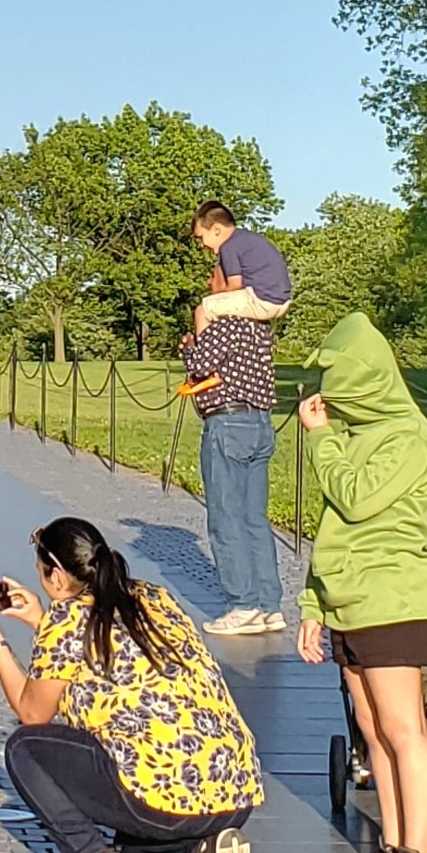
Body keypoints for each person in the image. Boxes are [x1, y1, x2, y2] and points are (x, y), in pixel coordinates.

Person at [0, 517, 262, 853]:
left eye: (41, 572)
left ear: (56, 576)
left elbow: (32, 712)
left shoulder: (68, 619)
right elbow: (103, 659)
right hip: (232, 793)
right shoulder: (153, 598)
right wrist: (42, 621)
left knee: (25, 748)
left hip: (161, 795)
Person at [293, 313, 427, 853]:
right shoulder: (353, 431)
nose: (328, 400)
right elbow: (333, 526)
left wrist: (322, 439)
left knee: (404, 728)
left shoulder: (408, 436)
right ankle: (391, 848)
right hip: (349, 597)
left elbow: (356, 500)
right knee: (371, 730)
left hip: (392, 597)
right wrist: (314, 603)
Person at [182, 250, 286, 638]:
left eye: (213, 278)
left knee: (226, 518)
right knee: (255, 518)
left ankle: (242, 605)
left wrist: (194, 338)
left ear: (228, 285)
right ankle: (269, 604)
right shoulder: (258, 328)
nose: (209, 286)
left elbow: (197, 368)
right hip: (259, 422)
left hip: (228, 425)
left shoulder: (224, 325)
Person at [190, 200, 293, 327]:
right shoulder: (245, 239)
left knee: (203, 311)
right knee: (222, 306)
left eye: (201, 238)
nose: (201, 245)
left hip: (261, 300)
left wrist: (215, 293)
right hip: (282, 301)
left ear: (216, 230)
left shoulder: (228, 246)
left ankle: (204, 346)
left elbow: (234, 285)